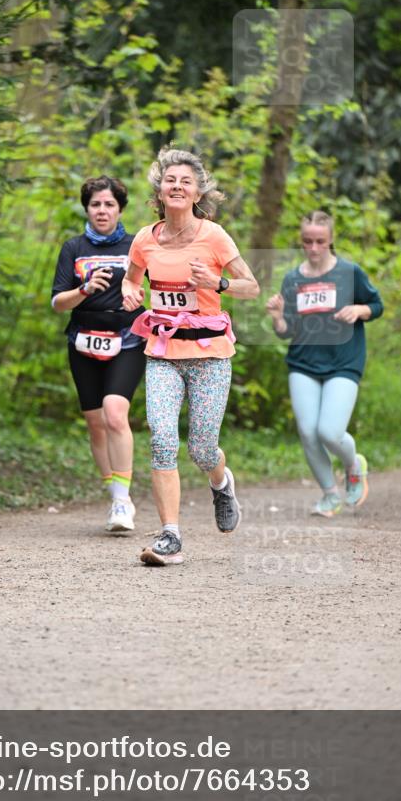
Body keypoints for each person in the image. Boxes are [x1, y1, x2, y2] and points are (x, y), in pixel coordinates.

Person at [121, 147, 260, 566]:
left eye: (186, 181)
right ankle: (170, 535)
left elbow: (250, 286)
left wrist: (218, 283)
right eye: (170, 180)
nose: (177, 186)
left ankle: (221, 484)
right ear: (159, 190)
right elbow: (132, 281)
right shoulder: (145, 238)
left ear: (198, 191)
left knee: (201, 449)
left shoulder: (214, 236)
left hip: (209, 355)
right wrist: (130, 292)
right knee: (161, 439)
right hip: (163, 351)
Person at [266, 210, 383, 517]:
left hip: (344, 360)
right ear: (301, 241)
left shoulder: (349, 272)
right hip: (303, 362)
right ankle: (330, 495)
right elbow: (287, 330)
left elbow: (377, 305)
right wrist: (278, 317)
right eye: (307, 241)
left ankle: (353, 465)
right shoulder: (293, 278)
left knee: (329, 432)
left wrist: (358, 310)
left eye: (320, 241)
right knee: (307, 431)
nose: (314, 248)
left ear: (331, 240)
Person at [51, 176, 146, 532]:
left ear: (120, 207)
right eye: (95, 204)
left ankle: (123, 502)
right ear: (87, 208)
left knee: (115, 414)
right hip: (83, 340)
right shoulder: (73, 248)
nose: (102, 211)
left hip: (128, 338)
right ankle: (115, 494)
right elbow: (58, 302)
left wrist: (138, 296)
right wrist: (85, 289)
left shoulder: (137, 243)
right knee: (95, 423)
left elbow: (159, 281)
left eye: (109, 204)